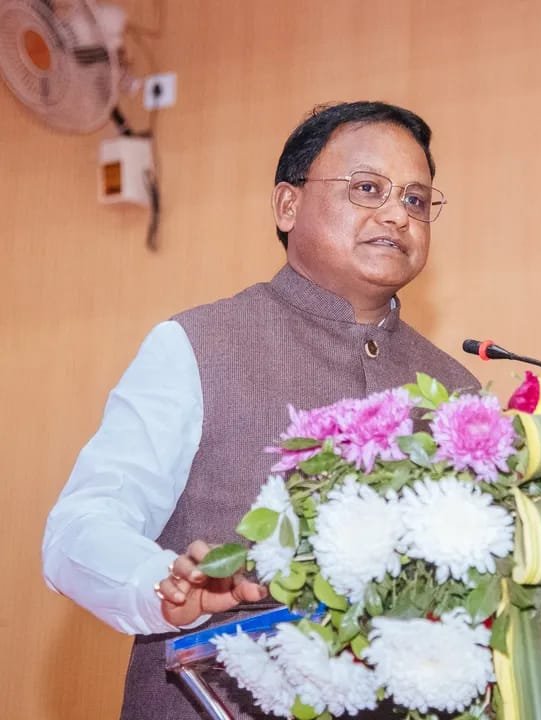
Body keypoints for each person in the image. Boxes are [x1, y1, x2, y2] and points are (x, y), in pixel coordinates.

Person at [42, 101, 480, 719]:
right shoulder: (198, 345)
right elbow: (79, 530)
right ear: (287, 205)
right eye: (367, 188)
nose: (396, 214)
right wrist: (165, 585)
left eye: (415, 199)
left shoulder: (455, 390)